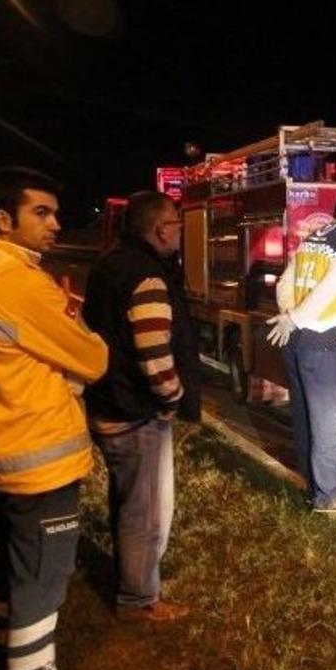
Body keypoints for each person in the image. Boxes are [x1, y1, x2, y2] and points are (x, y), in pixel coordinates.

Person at [0, 168, 109, 670]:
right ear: (3, 219)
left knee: (12, 560)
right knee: (42, 579)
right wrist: (78, 335)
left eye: (55, 213)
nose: (55, 224)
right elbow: (93, 359)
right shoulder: (22, 286)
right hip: (42, 460)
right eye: (41, 212)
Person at [83, 190, 201, 622]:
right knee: (146, 512)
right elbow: (154, 354)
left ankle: (130, 581)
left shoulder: (108, 265)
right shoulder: (147, 277)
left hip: (106, 402)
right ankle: (138, 599)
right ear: (160, 230)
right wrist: (173, 396)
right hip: (135, 413)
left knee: (127, 499)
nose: (180, 232)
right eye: (176, 224)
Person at [267, 179, 336, 513]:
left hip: (296, 342)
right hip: (323, 341)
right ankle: (327, 495)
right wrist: (296, 317)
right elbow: (331, 287)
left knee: (305, 420)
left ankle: (313, 488)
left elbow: (285, 281)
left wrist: (289, 315)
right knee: (327, 426)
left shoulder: (314, 237)